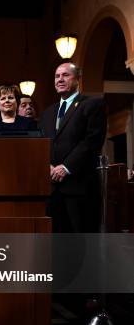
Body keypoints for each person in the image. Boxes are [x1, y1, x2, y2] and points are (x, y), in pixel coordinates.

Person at [39, 62, 107, 232]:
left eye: (65, 75)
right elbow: (41, 143)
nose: (60, 79)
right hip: (52, 189)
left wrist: (66, 167)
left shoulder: (92, 104)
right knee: (54, 243)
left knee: (80, 243)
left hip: (79, 187)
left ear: (77, 79)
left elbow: (92, 141)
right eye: (57, 76)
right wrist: (47, 165)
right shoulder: (47, 113)